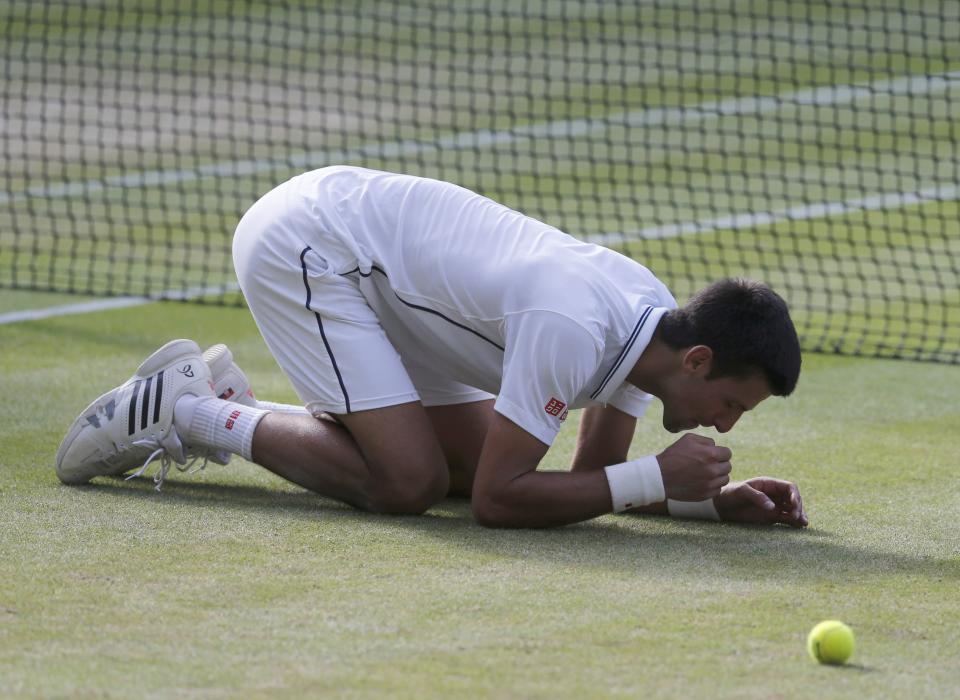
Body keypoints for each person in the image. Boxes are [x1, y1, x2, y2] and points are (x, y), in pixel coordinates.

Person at [56, 166, 807, 529]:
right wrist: (658, 473)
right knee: (407, 484)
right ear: (699, 360)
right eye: (732, 404)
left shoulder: (653, 334)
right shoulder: (576, 327)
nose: (727, 423)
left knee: (454, 468)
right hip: (313, 245)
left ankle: (223, 402)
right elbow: (500, 501)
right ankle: (191, 410)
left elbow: (602, 476)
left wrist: (709, 505)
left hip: (386, 284)